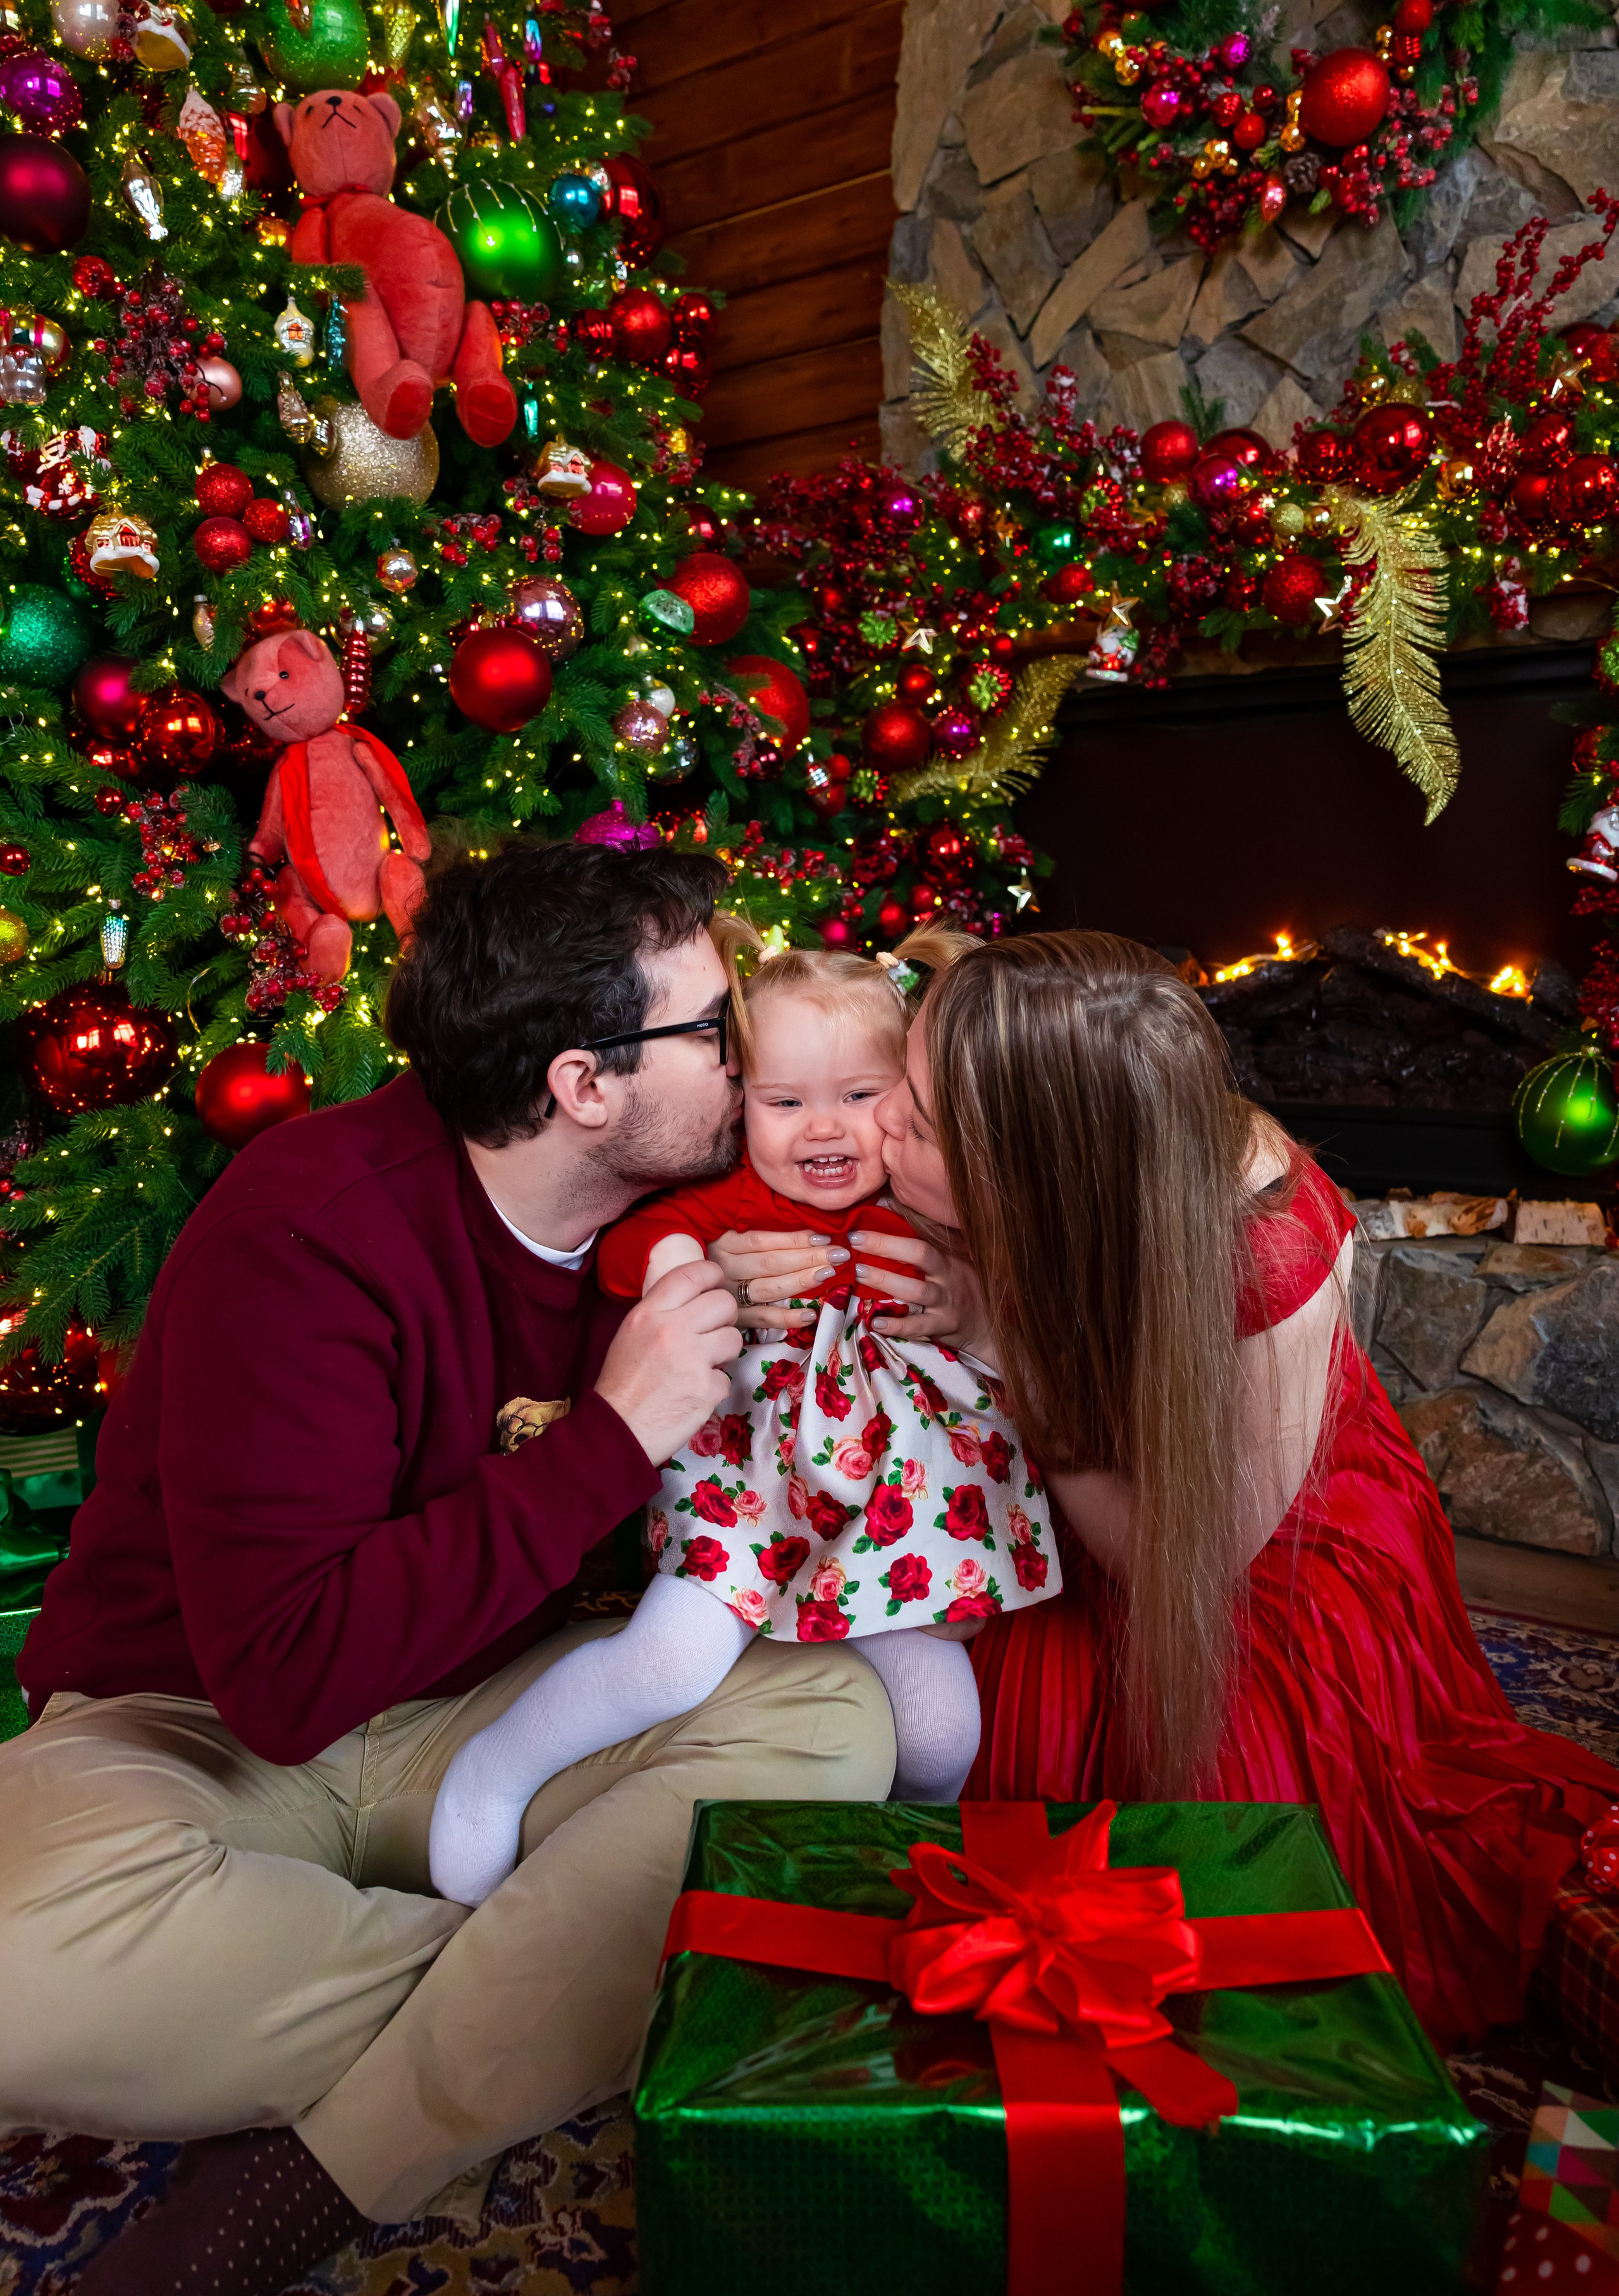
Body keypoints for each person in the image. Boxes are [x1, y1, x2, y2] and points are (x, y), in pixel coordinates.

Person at [0, 841, 897, 2296]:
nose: (751, 1070)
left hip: (493, 1718)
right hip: (200, 1729)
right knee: (15, 1974)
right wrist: (615, 1434)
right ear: (582, 1085)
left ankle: (320, 2169)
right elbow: (285, 1682)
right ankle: (567, 1990)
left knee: (830, 1720)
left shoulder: (708, 1219)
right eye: (714, 1034)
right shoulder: (309, 1232)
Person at [868, 927, 1619, 2054]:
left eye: (916, 1121)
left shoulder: (1257, 1255)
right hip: (1125, 1467)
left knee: (1201, 1847)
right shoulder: (1096, 1143)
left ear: (1034, 1164)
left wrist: (1005, 1348)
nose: (880, 1121)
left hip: (1240, 1552)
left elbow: (1182, 1562)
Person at [428, 932, 1061, 1905]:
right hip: (750, 1499)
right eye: (785, 1102)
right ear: (740, 1104)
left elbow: (1017, 1308)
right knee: (670, 1665)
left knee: (943, 1730)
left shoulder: (932, 1201)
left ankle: (898, 1876)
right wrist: (693, 1273)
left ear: (908, 1097)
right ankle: (495, 1770)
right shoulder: (730, 1200)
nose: (827, 1130)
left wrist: (975, 1296)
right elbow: (630, 1255)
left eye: (861, 1097)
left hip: (886, 1521)